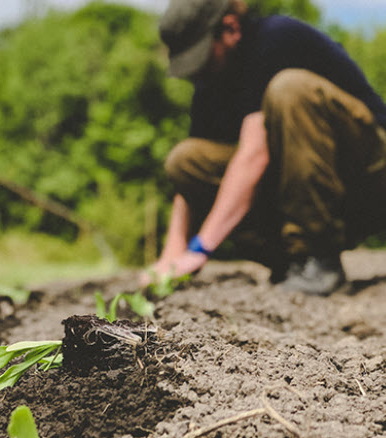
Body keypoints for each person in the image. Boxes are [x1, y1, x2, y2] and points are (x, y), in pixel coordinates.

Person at [147, 0, 386, 295]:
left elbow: (253, 157)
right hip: (302, 190)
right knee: (185, 160)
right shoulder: (212, 81)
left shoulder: (277, 38)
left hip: (370, 178)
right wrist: (172, 256)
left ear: (231, 28)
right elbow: (188, 189)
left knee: (289, 89)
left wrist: (200, 247)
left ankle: (317, 257)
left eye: (200, 55)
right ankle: (290, 260)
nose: (196, 71)